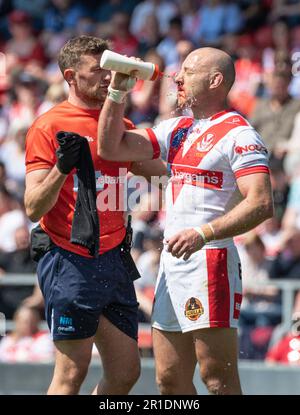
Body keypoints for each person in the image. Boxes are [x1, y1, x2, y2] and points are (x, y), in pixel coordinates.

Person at [97, 47, 274, 395]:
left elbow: (262, 203)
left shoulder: (239, 134)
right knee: (170, 380)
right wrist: (117, 91)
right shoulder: (178, 128)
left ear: (215, 80)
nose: (177, 77)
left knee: (217, 380)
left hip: (211, 262)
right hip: (172, 265)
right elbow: (111, 148)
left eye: (188, 71)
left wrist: (203, 233)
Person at [24, 35, 166, 395]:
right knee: (71, 373)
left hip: (114, 258)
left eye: (112, 68)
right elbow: (33, 207)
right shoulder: (48, 126)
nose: (108, 77)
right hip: (69, 259)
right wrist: (61, 168)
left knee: (126, 373)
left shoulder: (118, 122)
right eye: (99, 70)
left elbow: (164, 174)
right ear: (71, 76)